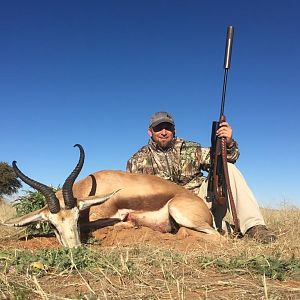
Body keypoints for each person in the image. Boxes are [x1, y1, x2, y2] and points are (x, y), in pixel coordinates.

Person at [126, 111, 276, 243]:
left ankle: (254, 227)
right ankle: (224, 229)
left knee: (227, 167)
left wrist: (228, 143)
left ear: (174, 130)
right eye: (158, 128)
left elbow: (227, 158)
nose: (164, 132)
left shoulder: (192, 149)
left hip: (201, 201)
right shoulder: (137, 160)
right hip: (166, 213)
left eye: (168, 128)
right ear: (150, 132)